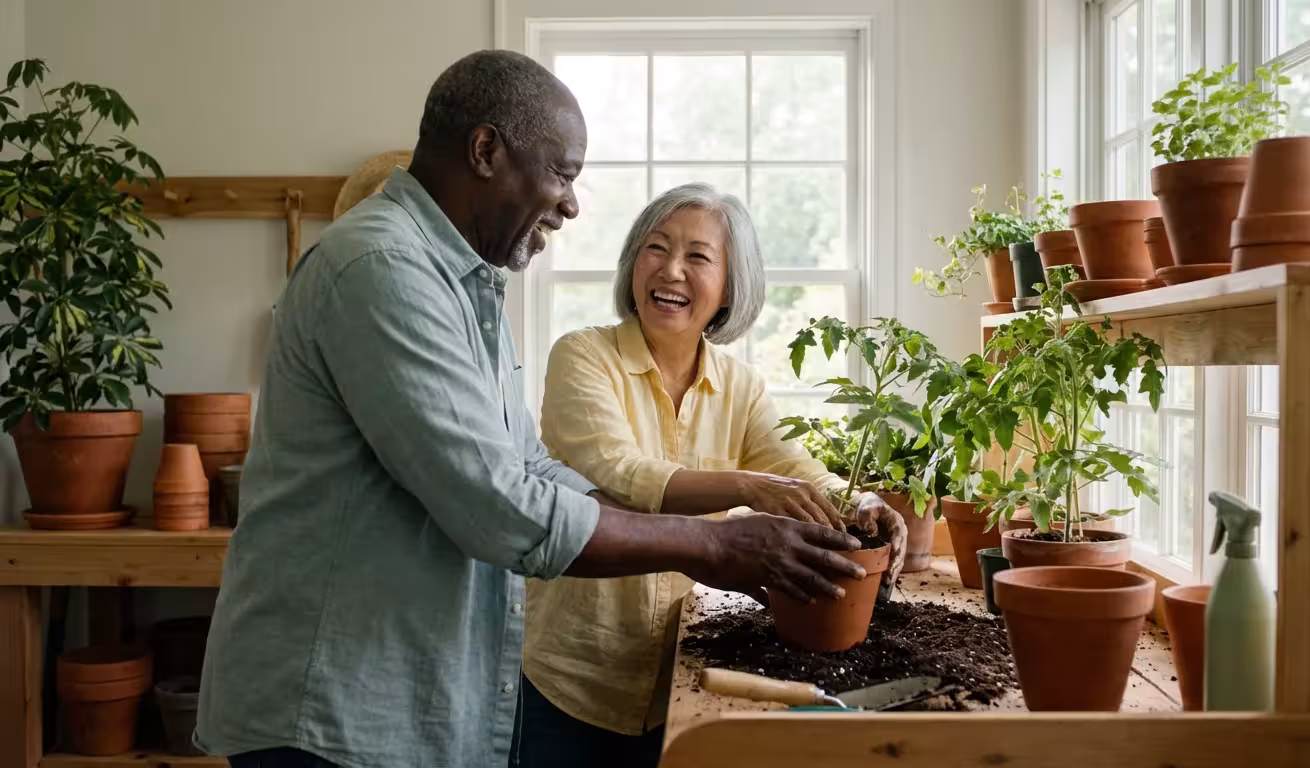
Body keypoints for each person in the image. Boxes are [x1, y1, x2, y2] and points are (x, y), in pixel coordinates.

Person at [194, 51, 868, 768]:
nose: (573, 205)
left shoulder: (460, 284)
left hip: (400, 699)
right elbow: (497, 504)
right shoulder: (381, 269)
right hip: (329, 711)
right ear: (486, 151)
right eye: (563, 173)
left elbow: (529, 467)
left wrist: (731, 533)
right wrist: (715, 544)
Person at [515, 183, 908, 767]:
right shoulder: (582, 356)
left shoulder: (740, 386)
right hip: (573, 683)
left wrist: (865, 505)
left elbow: (795, 469)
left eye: (697, 257)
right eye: (655, 248)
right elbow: (622, 473)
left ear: (729, 287)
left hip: (681, 678)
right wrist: (749, 486)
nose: (670, 270)